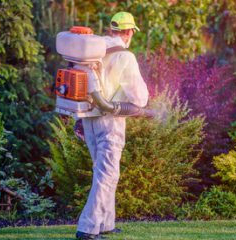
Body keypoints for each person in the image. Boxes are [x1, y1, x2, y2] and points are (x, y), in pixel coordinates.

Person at [76, 12, 150, 240]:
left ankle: (106, 223)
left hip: (88, 117)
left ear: (111, 30)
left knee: (103, 171)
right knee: (107, 174)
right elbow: (138, 97)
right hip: (110, 120)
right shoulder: (125, 56)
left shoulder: (94, 51)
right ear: (129, 32)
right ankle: (87, 229)